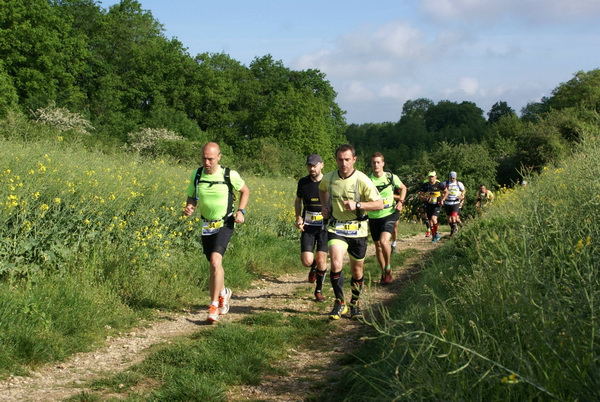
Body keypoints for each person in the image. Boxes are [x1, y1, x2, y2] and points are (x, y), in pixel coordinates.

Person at [184, 142, 250, 323]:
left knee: (215, 261)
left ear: (218, 157)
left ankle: (213, 305)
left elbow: (245, 191)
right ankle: (223, 292)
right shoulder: (197, 175)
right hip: (206, 225)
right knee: (214, 266)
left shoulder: (229, 174)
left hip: (225, 223)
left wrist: (241, 211)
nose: (207, 162)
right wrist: (190, 206)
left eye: (210, 159)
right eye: (204, 158)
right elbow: (192, 195)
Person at [319, 144, 383, 320]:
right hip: (336, 227)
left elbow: (379, 204)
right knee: (337, 263)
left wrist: (359, 205)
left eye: (347, 160)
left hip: (358, 229)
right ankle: (340, 303)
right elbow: (322, 189)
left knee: (357, 271)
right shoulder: (329, 178)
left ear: (354, 160)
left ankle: (355, 303)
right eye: (340, 160)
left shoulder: (362, 180)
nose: (344, 163)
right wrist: (325, 207)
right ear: (336, 160)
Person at [368, 152, 407, 284]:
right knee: (378, 246)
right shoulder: (368, 180)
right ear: (371, 164)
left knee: (384, 242)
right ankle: (383, 271)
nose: (376, 165)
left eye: (378, 162)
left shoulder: (391, 177)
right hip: (373, 216)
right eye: (374, 162)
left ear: (383, 163)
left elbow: (403, 188)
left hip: (389, 213)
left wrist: (400, 202)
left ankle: (389, 268)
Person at [295, 154, 328, 302]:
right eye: (309, 165)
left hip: (324, 227)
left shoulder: (329, 182)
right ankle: (313, 266)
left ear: (322, 165)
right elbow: (298, 201)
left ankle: (319, 290)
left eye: (314, 165)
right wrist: (298, 217)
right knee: (307, 261)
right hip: (308, 226)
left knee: (322, 260)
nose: (312, 168)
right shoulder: (303, 182)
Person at [418, 171, 447, 243]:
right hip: (428, 204)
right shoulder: (425, 185)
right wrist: (425, 198)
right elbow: (420, 195)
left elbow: (447, 192)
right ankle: (434, 236)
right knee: (430, 221)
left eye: (432, 177)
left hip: (437, 204)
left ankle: (436, 232)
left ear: (435, 177)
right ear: (428, 177)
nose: (431, 178)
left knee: (434, 219)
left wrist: (443, 200)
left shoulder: (439, 185)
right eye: (430, 177)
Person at [442, 171, 466, 236]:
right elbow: (441, 191)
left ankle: (453, 232)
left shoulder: (459, 183)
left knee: (453, 217)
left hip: (456, 202)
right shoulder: (445, 183)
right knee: (449, 219)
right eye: (451, 178)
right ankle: (454, 228)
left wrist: (462, 195)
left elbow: (464, 190)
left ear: (455, 178)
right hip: (447, 202)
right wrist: (443, 198)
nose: (452, 179)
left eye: (453, 178)